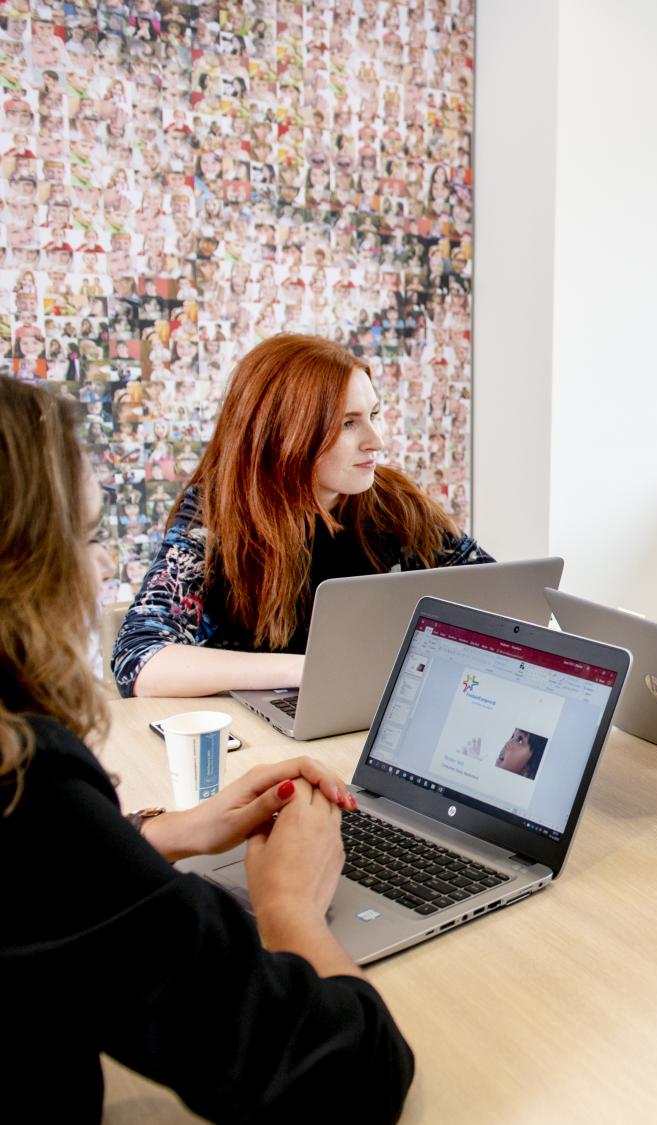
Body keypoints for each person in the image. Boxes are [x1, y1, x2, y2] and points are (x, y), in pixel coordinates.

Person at [0, 378, 414, 1120]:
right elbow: (343, 1075)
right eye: (91, 537)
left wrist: (159, 835)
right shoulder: (24, 792)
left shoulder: (392, 509)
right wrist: (289, 905)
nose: (101, 571)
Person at [114, 334, 492, 697]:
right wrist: (309, 671)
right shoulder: (215, 514)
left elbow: (499, 597)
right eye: (348, 423)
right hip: (261, 734)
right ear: (284, 434)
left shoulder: (394, 500)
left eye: (374, 414)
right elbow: (140, 660)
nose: (376, 440)